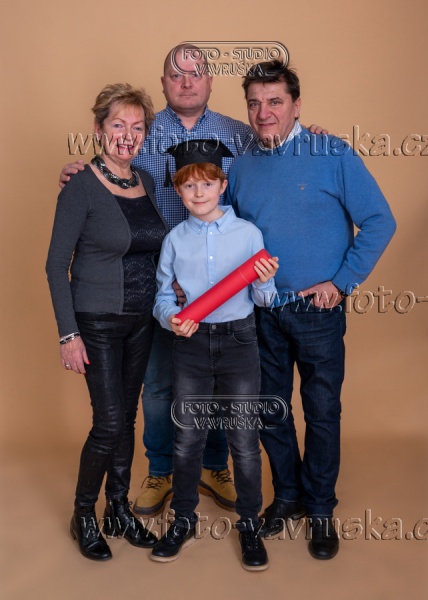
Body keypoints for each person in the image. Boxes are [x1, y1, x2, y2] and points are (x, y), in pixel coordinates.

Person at [58, 44, 327, 518]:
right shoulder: (145, 130)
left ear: (210, 81)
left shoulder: (238, 132)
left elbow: (278, 151)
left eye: (196, 73)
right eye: (176, 74)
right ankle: (161, 470)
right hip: (160, 284)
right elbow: (113, 171)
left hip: (226, 287)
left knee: (220, 389)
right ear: (163, 82)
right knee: (161, 387)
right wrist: (82, 172)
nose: (186, 82)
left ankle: (214, 466)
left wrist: (309, 138)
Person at [226, 60, 396, 560]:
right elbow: (225, 231)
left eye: (275, 101)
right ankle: (289, 496)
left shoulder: (332, 152)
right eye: (254, 103)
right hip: (262, 309)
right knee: (271, 410)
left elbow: (379, 221)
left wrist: (342, 283)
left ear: (297, 106)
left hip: (318, 310)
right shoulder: (242, 166)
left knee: (322, 411)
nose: (264, 112)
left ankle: (321, 507)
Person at [46, 83, 169, 561]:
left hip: (142, 319)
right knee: (109, 421)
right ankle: (83, 514)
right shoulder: (80, 186)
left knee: (128, 418)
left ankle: (118, 508)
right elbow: (56, 265)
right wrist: (69, 334)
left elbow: (152, 250)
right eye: (118, 124)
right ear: (98, 129)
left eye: (137, 127)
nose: (127, 135)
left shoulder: (147, 181)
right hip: (96, 320)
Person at [150, 155, 278, 571]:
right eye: (189, 186)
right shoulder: (175, 239)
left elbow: (265, 300)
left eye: (207, 184)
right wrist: (170, 318)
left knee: (243, 440)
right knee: (188, 438)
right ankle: (183, 520)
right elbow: (163, 296)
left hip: (239, 341)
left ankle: (249, 525)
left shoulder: (248, 234)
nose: (199, 192)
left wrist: (264, 282)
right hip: (190, 344)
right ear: (178, 192)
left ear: (223, 186)